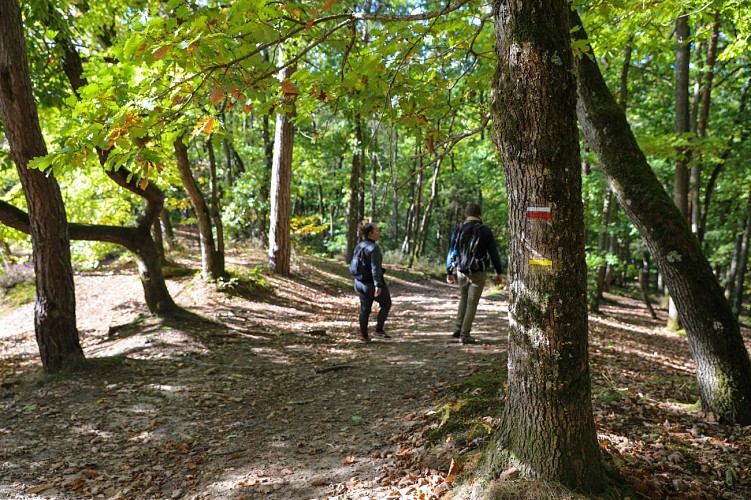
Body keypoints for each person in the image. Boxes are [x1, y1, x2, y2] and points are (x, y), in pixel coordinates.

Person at [446, 202, 504, 345]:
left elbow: (451, 251)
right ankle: (465, 335)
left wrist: (449, 271)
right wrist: (499, 272)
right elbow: (493, 253)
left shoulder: (458, 229)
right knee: (472, 303)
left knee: (464, 298)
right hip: (478, 271)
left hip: (461, 271)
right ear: (479, 214)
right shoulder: (484, 230)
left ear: (467, 213)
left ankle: (458, 329)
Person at [352, 222, 392, 343]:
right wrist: (377, 285)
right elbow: (376, 268)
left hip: (358, 283)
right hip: (370, 284)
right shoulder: (374, 248)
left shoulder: (359, 245)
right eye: (377, 230)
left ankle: (364, 336)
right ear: (370, 233)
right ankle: (378, 330)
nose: (379, 232)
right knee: (386, 304)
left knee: (365, 309)